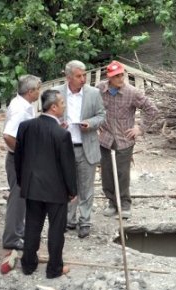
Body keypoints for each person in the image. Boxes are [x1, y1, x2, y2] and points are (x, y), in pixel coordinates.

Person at [14, 89, 77, 279]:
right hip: (56, 190)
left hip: (32, 186)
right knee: (56, 230)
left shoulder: (26, 127)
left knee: (32, 226)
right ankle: (54, 269)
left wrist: (22, 181)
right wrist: (72, 190)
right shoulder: (61, 134)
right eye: (62, 103)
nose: (64, 106)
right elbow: (68, 166)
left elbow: (19, 157)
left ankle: (28, 265)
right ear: (54, 107)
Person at [97, 60, 158, 219]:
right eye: (116, 76)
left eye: (121, 75)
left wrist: (140, 128)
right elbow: (90, 106)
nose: (120, 79)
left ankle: (124, 204)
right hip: (105, 138)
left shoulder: (132, 92)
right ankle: (112, 202)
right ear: (109, 77)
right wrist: (95, 123)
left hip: (124, 139)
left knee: (122, 173)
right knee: (107, 173)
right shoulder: (100, 89)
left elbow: (152, 110)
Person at [53, 60, 106, 238]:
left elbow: (101, 115)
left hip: (86, 146)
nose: (83, 79)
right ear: (68, 77)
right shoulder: (56, 93)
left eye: (84, 75)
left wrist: (89, 123)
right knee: (65, 186)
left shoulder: (94, 93)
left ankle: (85, 221)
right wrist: (58, 125)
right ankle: (69, 220)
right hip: (64, 147)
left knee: (86, 187)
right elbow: (48, 115)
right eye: (79, 76)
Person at [2, 74, 41, 251]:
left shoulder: (24, 105)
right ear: (30, 91)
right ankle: (11, 238)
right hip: (18, 160)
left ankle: (19, 230)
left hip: (22, 159)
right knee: (17, 199)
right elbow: (8, 135)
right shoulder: (20, 109)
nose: (39, 93)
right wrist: (21, 153)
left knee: (23, 197)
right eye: (38, 90)